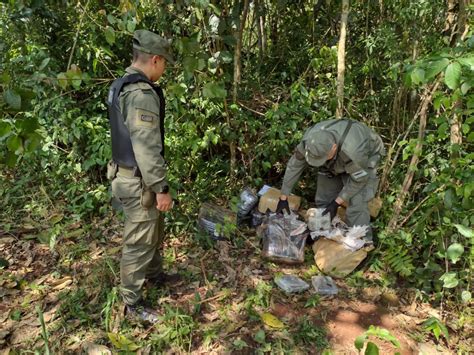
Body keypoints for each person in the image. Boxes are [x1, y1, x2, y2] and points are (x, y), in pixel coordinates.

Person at [106, 29, 177, 323]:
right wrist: (161, 187)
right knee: (138, 242)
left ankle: (155, 275)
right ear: (156, 60)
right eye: (165, 64)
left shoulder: (120, 85)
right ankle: (132, 305)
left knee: (152, 232)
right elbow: (146, 147)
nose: (164, 70)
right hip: (138, 181)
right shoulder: (141, 93)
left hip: (127, 175)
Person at [276, 118, 385, 240]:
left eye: (321, 159)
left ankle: (362, 243)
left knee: (356, 203)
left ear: (333, 148)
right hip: (338, 157)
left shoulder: (354, 151)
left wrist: (336, 203)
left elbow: (358, 180)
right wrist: (283, 198)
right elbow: (294, 165)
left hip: (367, 156)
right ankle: (321, 234)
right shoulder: (310, 140)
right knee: (324, 198)